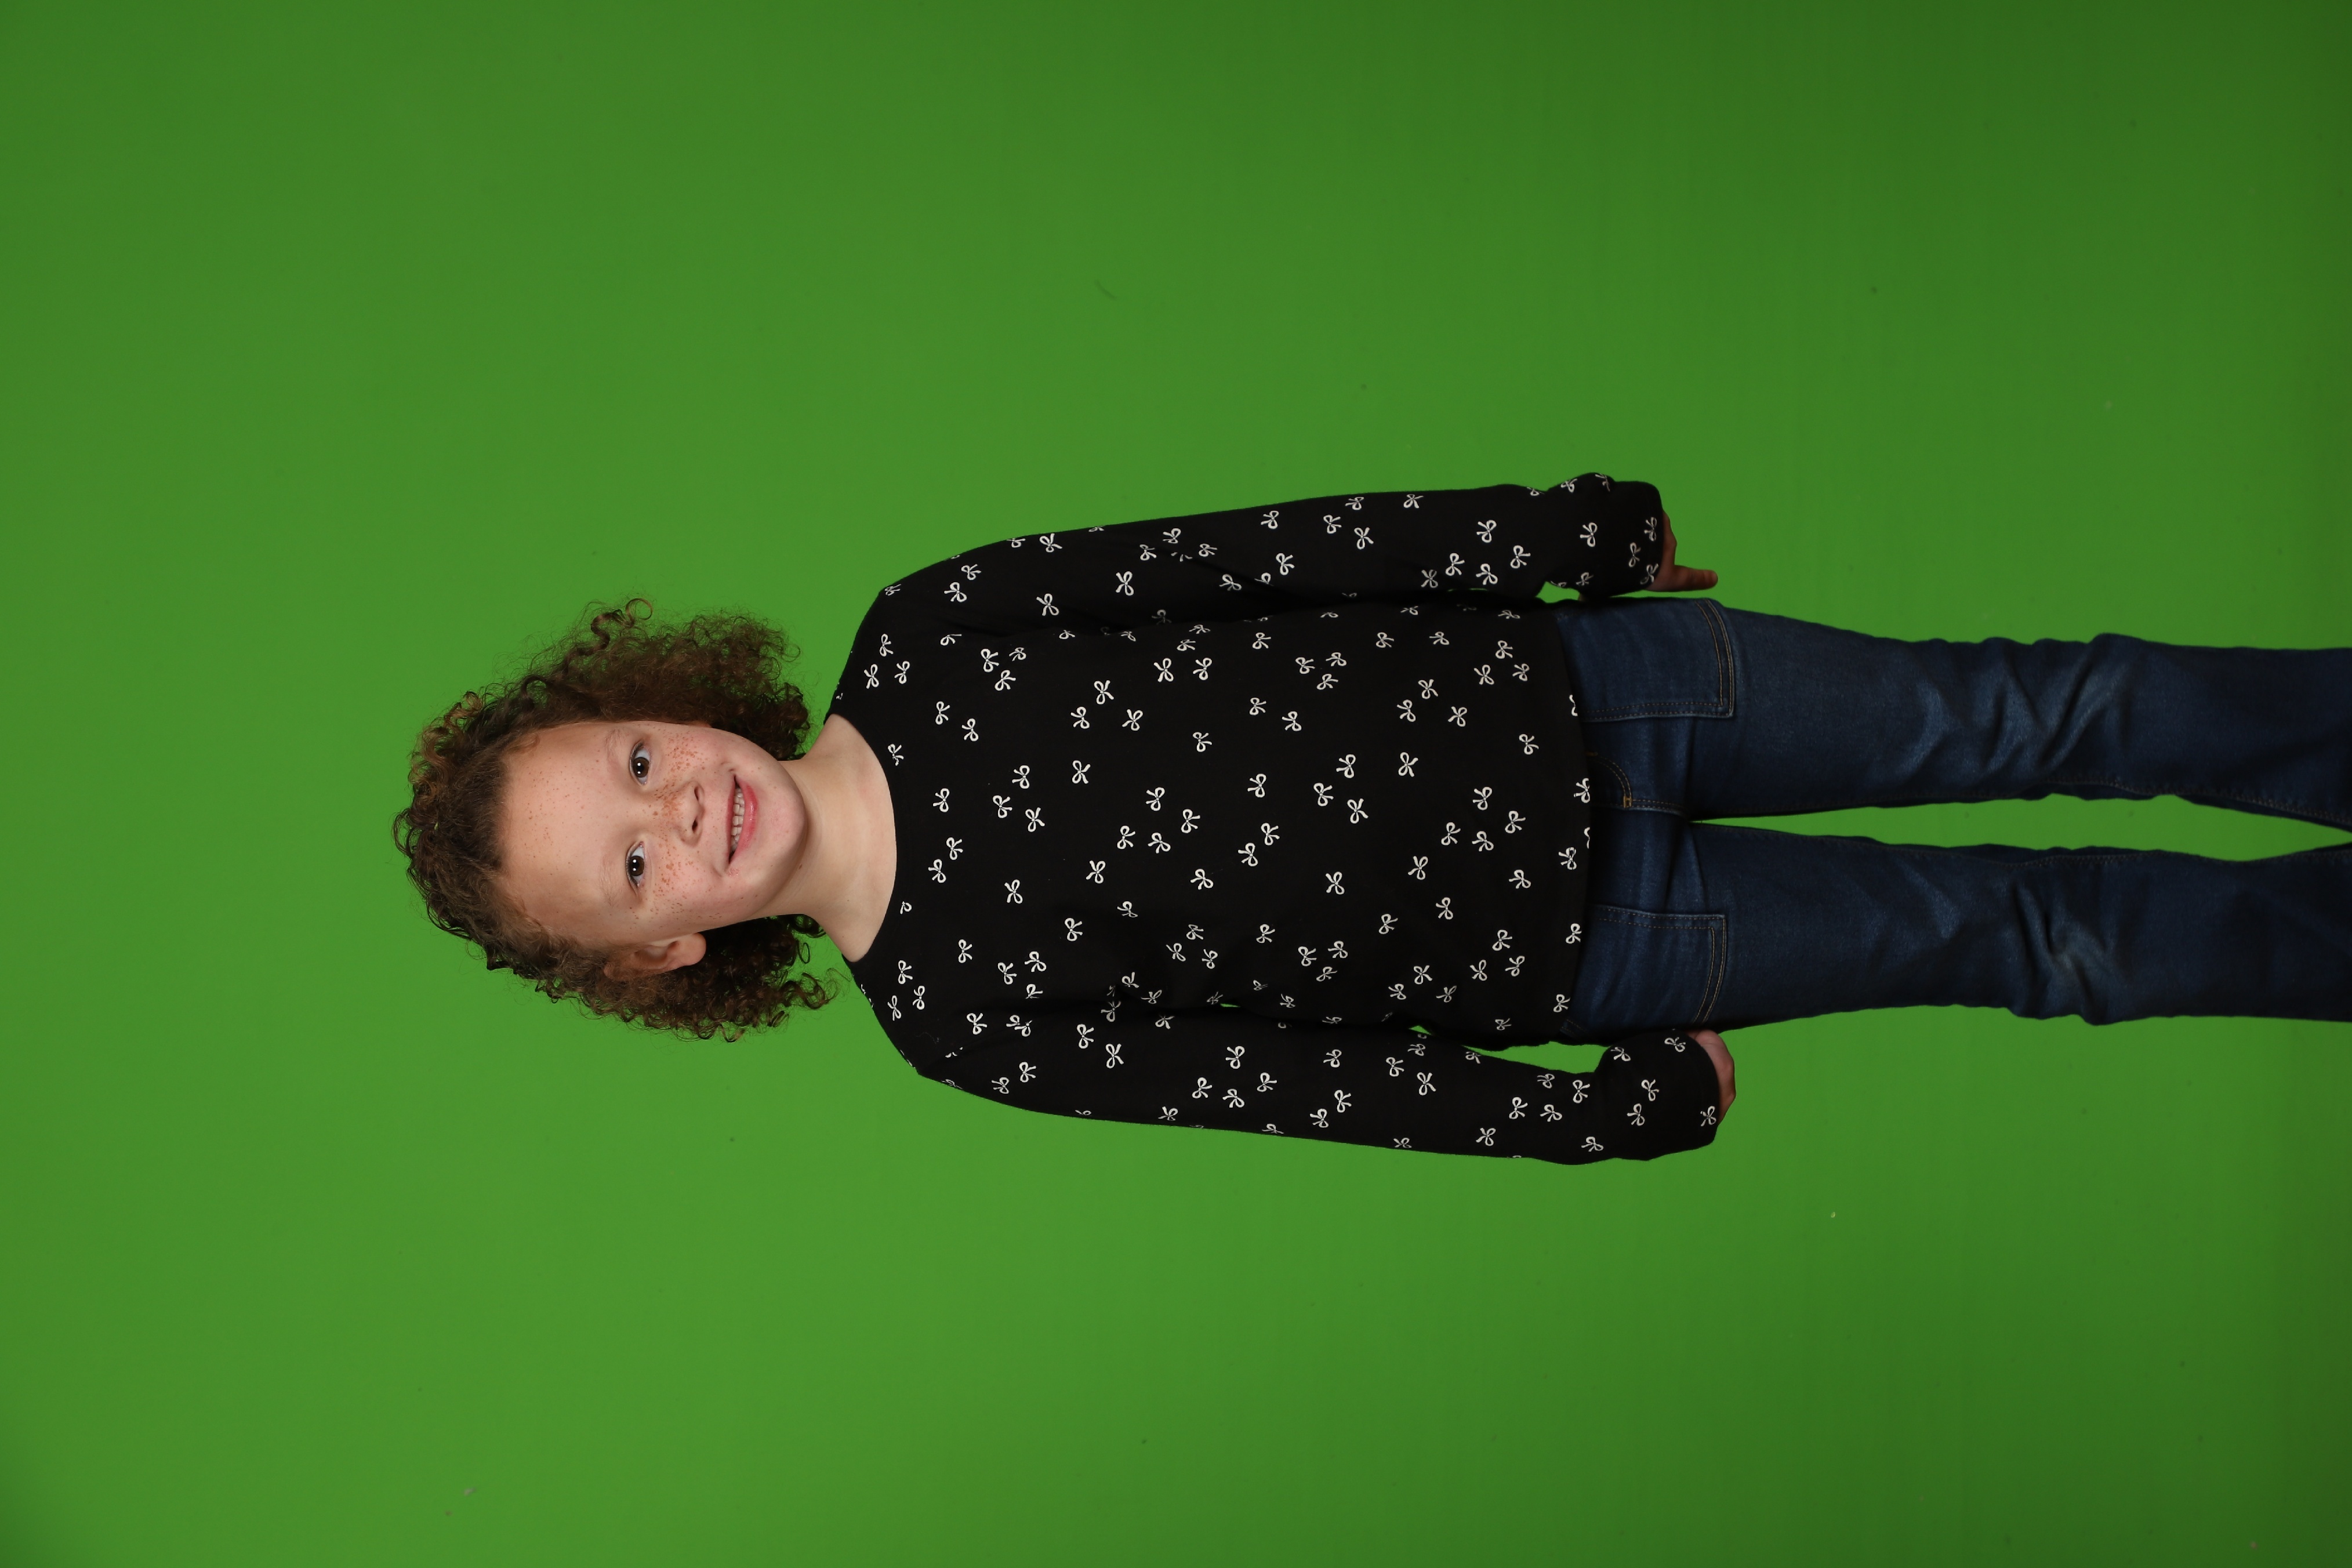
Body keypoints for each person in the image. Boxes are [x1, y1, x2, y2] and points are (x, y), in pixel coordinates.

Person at [394, 477, 2352, 1166]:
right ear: (664, 951)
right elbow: (1293, 1086)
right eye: (633, 866)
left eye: (633, 762)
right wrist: (1581, 1116)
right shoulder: (959, 1022)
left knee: (2038, 700)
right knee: (2027, 937)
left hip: (1602, 682)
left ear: (658, 701)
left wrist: (1549, 534)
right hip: (1605, 945)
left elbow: (1256, 553)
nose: (680, 810)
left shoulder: (931, 629)